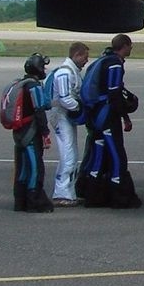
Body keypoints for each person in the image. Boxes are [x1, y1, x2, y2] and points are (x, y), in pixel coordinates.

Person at [79, 34, 141, 209]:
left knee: (98, 155)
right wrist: (125, 117)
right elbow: (114, 93)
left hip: (96, 115)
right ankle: (119, 196)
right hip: (106, 116)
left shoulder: (103, 60)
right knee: (117, 156)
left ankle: (93, 194)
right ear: (125, 46)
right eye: (130, 46)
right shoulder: (114, 64)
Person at [47, 42, 88, 206]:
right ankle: (61, 192)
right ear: (77, 55)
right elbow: (65, 98)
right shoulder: (65, 73)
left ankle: (68, 191)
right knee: (68, 154)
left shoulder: (73, 72)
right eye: (85, 56)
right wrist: (81, 107)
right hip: (61, 115)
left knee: (71, 153)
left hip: (66, 116)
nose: (86, 60)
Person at [11, 53, 54, 213]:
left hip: (19, 132)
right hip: (30, 132)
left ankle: (20, 201)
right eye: (42, 66)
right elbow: (39, 109)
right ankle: (34, 200)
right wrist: (45, 133)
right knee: (35, 167)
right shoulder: (33, 86)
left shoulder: (21, 84)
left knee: (22, 168)